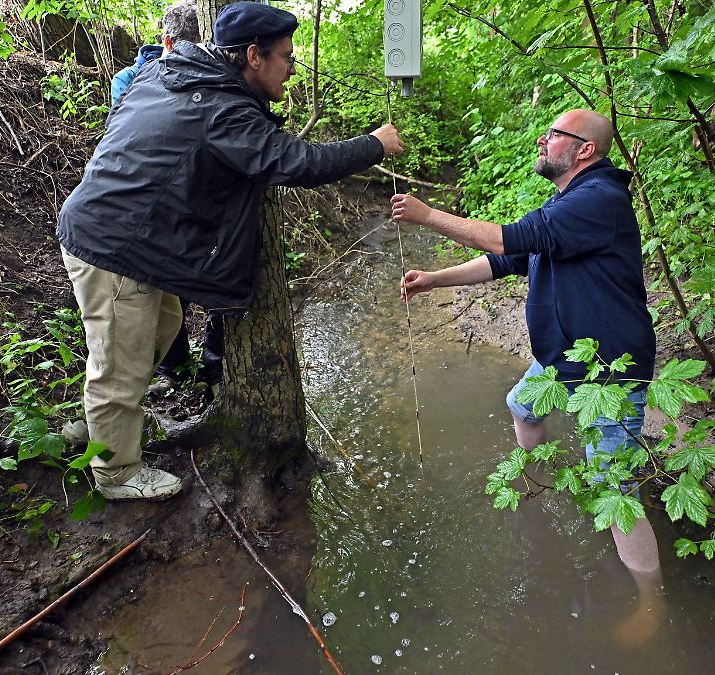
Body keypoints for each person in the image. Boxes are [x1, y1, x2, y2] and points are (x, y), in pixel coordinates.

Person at [58, 1, 404, 501]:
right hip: (115, 244)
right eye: (285, 57)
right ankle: (116, 474)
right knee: (120, 360)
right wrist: (372, 144)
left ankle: (100, 423)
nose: (291, 69)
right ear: (252, 56)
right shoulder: (221, 108)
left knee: (158, 329)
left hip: (129, 234)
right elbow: (294, 161)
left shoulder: (176, 72)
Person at [390, 109, 660, 580]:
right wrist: (434, 280)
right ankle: (542, 481)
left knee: (616, 491)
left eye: (555, 134)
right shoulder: (568, 203)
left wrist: (427, 215)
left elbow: (507, 236)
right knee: (522, 407)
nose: (543, 140)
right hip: (564, 360)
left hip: (610, 369)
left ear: (584, 150)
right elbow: (506, 257)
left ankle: (650, 602)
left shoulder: (600, 199)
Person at [108, 2, 223, 399]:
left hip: (196, 200)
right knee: (163, 290)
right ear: (167, 41)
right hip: (152, 204)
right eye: (184, 44)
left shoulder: (211, 75)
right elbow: (125, 135)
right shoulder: (132, 78)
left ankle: (212, 365)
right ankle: (173, 368)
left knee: (208, 283)